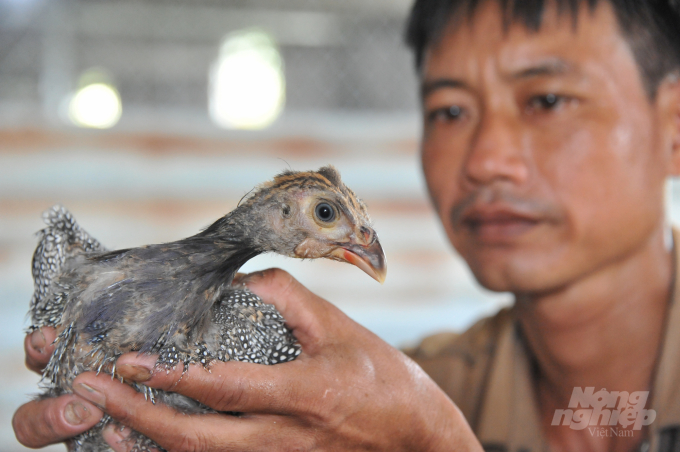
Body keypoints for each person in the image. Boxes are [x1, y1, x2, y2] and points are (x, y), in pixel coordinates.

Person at [13, 0, 680, 450]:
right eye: (450, 111)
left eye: (547, 99)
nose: (485, 161)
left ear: (674, 126)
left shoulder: (406, 416)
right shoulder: (377, 402)